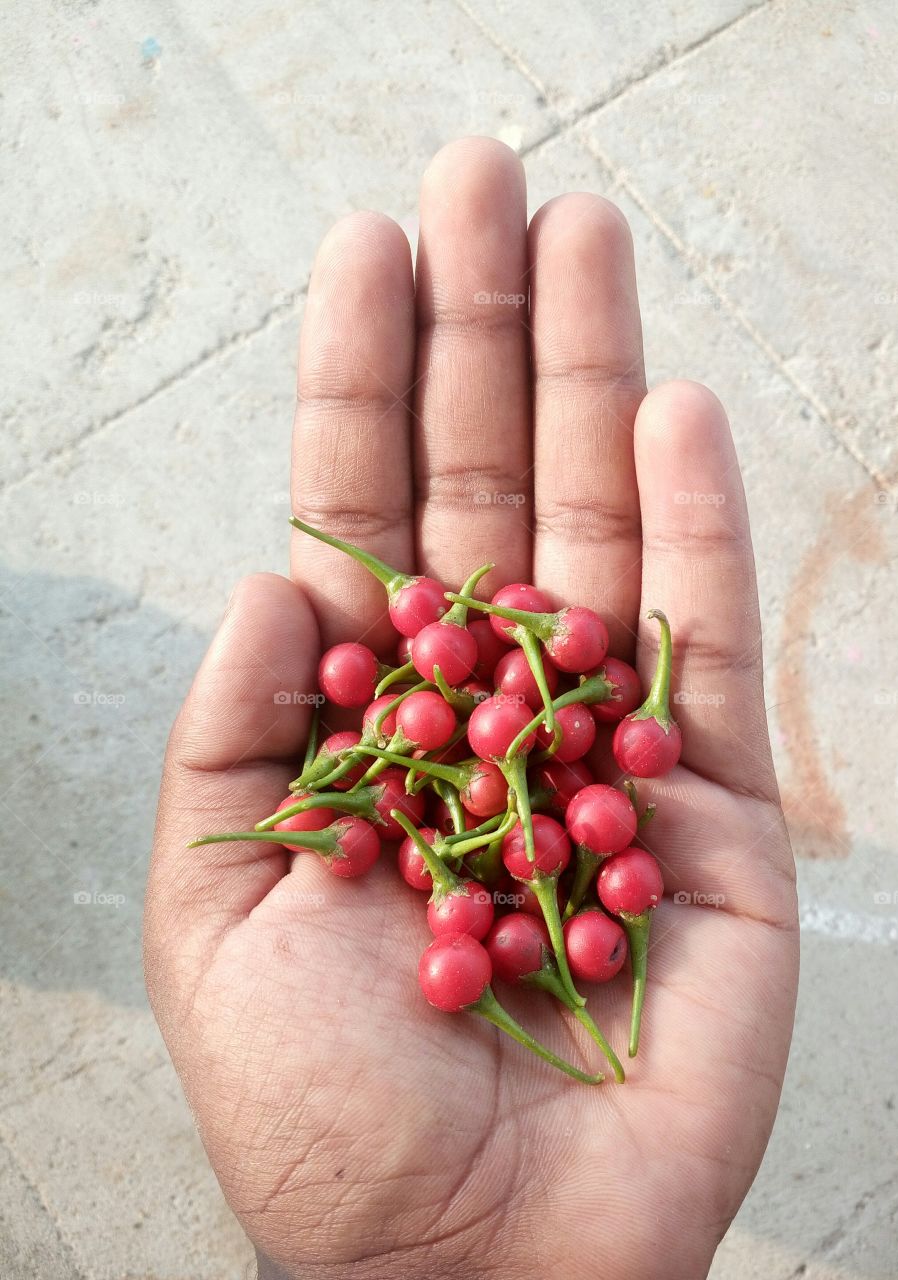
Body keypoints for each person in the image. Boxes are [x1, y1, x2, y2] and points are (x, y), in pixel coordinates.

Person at [144, 138, 799, 1280]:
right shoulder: (502, 817)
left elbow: (519, 791)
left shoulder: (535, 811)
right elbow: (490, 792)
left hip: (519, 819)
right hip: (513, 822)